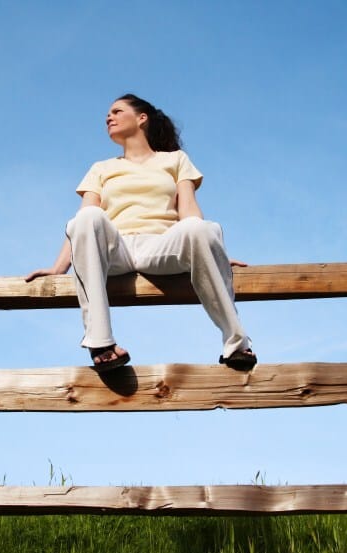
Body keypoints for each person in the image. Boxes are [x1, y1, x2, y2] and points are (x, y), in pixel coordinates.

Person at [25, 94, 256, 373]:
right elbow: (81, 225)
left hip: (160, 248)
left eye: (116, 111)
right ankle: (100, 342)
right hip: (115, 250)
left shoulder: (175, 160)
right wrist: (58, 267)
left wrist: (213, 251)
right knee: (89, 215)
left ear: (141, 118)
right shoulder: (102, 168)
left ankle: (236, 344)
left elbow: (190, 213)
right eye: (107, 114)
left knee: (203, 228)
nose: (108, 117)